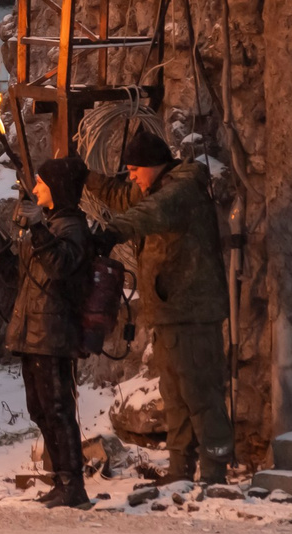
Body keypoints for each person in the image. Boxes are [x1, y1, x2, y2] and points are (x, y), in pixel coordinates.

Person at [85, 128, 234, 484]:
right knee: (175, 396)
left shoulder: (180, 193)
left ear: (155, 165)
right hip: (169, 314)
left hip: (192, 313)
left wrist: (112, 232)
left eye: (135, 168)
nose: (132, 175)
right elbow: (125, 196)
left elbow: (150, 211)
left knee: (200, 392)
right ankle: (181, 469)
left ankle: (215, 469)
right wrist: (85, 177)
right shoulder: (155, 187)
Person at [0, 155, 97, 509]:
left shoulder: (72, 228)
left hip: (54, 334)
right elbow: (18, 274)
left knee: (57, 408)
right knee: (40, 409)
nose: (35, 188)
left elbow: (59, 268)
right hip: (33, 332)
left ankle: (74, 485)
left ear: (57, 189)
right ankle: (62, 481)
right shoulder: (50, 227)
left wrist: (38, 228)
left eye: (41, 182)